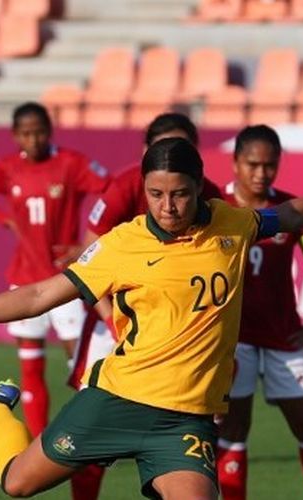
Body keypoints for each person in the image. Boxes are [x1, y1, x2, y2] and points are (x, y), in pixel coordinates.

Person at [0, 138, 303, 500]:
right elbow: (43, 292)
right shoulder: (121, 245)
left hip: (183, 422)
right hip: (115, 401)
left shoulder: (231, 222)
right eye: (156, 194)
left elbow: (289, 215)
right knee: (17, 483)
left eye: (181, 194)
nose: (168, 207)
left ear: (199, 189)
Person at [69, 112, 224, 500]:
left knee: (179, 446)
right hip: (116, 326)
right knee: (85, 444)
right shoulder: (124, 185)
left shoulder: (211, 197)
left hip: (177, 342)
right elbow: (91, 251)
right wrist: (113, 323)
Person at [0, 102, 110, 438]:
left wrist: (87, 243)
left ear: (51, 130)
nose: (34, 139)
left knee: (82, 365)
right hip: (24, 277)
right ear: (16, 135)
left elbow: (111, 191)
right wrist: (4, 220)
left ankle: (91, 435)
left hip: (66, 278)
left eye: (40, 132)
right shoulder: (7, 167)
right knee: (31, 366)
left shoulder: (71, 163)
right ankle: (39, 440)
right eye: (27, 133)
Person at [216, 125, 303, 500]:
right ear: (235, 163)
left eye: (269, 165)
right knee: (232, 434)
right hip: (234, 343)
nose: (261, 173)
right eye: (252, 164)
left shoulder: (293, 210)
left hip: (284, 340)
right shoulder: (215, 208)